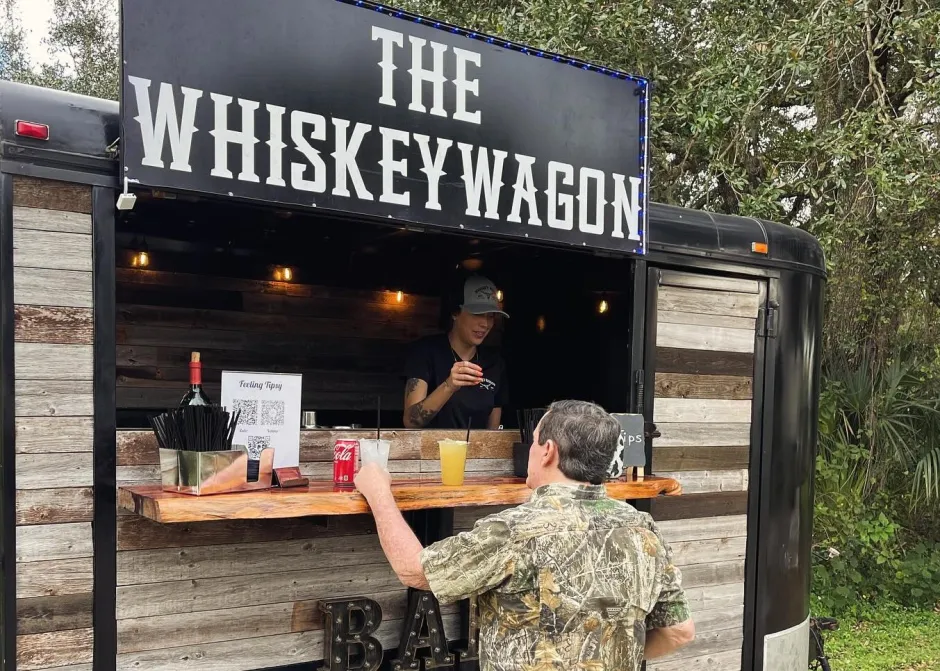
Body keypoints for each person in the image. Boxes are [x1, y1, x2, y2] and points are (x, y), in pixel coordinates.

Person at [355, 399, 695, 671]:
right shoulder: (643, 528)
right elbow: (678, 631)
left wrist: (378, 492)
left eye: (532, 442)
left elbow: (414, 569)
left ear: (548, 451)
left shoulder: (515, 530)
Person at [402, 275, 508, 430]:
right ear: (455, 312)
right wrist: (449, 385)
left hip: (478, 453)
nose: (485, 324)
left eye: (491, 316)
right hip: (432, 452)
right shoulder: (426, 352)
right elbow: (411, 422)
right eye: (477, 314)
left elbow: (493, 433)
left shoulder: (494, 363)